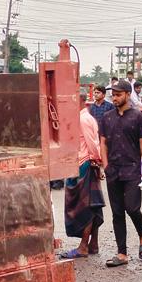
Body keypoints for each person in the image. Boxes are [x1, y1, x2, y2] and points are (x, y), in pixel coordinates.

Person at [99, 80, 142, 267]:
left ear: (127, 95)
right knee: (117, 212)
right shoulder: (106, 117)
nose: (114, 98)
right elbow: (103, 143)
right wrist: (105, 165)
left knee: (132, 208)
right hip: (113, 170)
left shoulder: (137, 117)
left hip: (131, 170)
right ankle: (122, 253)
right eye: (113, 95)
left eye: (118, 94)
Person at [59, 98, 106, 259]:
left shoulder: (82, 119)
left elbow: (92, 143)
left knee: (84, 207)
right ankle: (93, 244)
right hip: (86, 162)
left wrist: (96, 161)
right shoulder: (88, 118)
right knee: (92, 205)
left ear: (78, 101)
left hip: (83, 163)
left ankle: (84, 246)